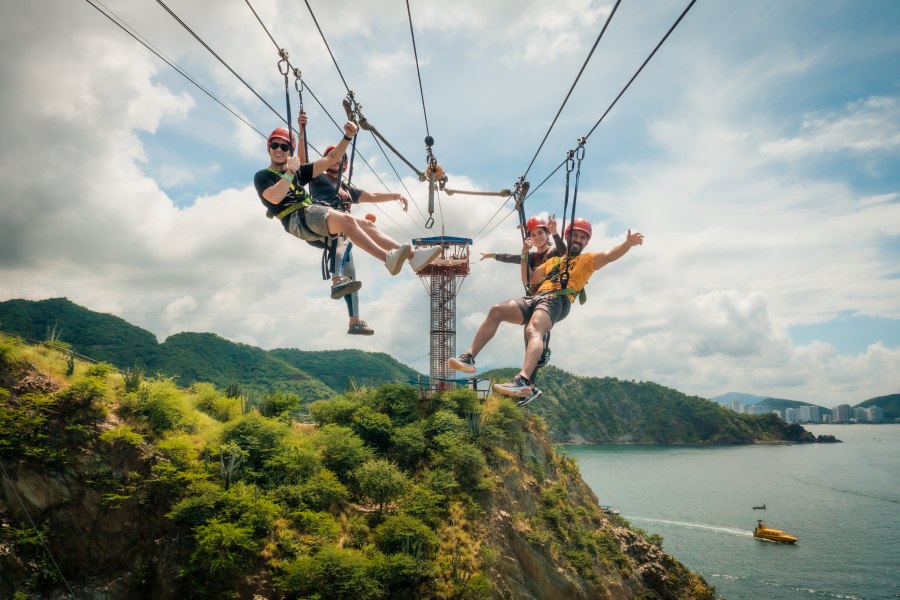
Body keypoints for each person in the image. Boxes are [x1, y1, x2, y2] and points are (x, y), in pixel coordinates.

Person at [449, 219, 644, 401]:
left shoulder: (589, 260)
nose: (578, 240)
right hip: (537, 297)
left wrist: (627, 244)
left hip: (558, 300)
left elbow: (610, 256)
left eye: (583, 237)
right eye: (575, 236)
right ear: (568, 237)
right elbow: (529, 280)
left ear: (586, 242)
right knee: (497, 310)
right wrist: (525, 252)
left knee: (533, 329)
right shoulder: (552, 262)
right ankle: (469, 357)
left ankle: (524, 380)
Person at [253, 113, 441, 284]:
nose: (279, 149)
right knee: (347, 222)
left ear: (289, 150)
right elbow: (275, 197)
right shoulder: (263, 176)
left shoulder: (332, 182)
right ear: (268, 147)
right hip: (298, 219)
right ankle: (385, 259)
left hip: (315, 215)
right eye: (275, 145)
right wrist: (292, 167)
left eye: (284, 147)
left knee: (367, 225)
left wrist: (348, 137)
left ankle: (414, 257)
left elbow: (332, 158)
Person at [308, 142, 413, 335]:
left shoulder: (347, 189)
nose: (337, 159)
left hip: (341, 232)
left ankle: (354, 321)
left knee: (352, 278)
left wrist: (397, 195)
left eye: (341, 158)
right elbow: (304, 160)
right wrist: (301, 128)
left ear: (346, 166)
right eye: (332, 156)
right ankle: (336, 278)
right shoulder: (316, 177)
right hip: (322, 223)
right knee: (345, 235)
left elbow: (372, 195)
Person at [479, 215, 567, 401]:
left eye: (540, 233)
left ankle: (535, 368)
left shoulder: (553, 252)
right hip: (535, 299)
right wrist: (493, 255)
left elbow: (563, 252)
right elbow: (511, 258)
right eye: (533, 235)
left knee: (534, 332)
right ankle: (531, 387)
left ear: (547, 233)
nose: (537, 238)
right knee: (530, 340)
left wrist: (556, 233)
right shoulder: (532, 256)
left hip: (551, 298)